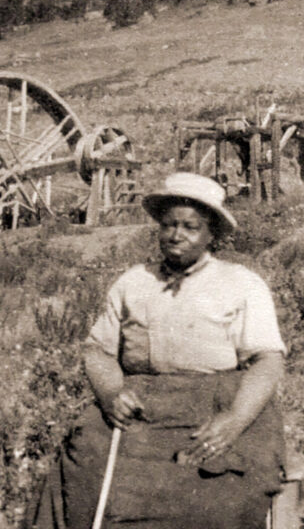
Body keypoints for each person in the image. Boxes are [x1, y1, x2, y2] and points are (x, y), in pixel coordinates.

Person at [26, 172, 288, 529]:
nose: (176, 235)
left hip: (215, 404)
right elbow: (98, 351)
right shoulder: (133, 281)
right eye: (168, 225)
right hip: (140, 407)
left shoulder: (240, 283)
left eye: (190, 227)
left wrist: (235, 420)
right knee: (84, 466)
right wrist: (111, 393)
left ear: (212, 235)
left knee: (224, 491)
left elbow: (267, 361)